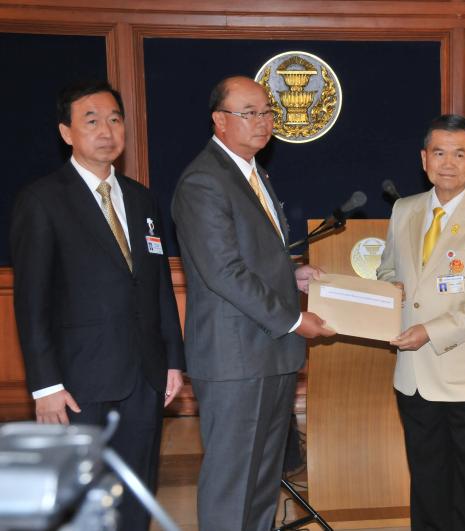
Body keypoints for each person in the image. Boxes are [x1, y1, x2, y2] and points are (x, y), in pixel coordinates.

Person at [9, 80, 185, 530]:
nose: (106, 131)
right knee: (81, 505)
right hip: (77, 384)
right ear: (66, 132)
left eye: (114, 119)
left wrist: (172, 360)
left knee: (136, 494)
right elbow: (31, 302)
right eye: (91, 121)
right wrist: (45, 386)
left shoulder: (141, 198)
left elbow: (158, 286)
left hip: (145, 377)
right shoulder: (42, 200)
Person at [171, 76, 334, 531]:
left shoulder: (251, 172)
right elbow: (224, 272)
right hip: (236, 358)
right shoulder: (204, 181)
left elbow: (254, 257)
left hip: (267, 353)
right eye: (249, 113)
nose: (263, 122)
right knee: (233, 484)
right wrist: (294, 319)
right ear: (219, 121)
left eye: (266, 112)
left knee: (262, 481)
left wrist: (291, 275)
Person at [376, 114, 465, 530]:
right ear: (424, 159)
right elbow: (387, 270)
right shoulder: (404, 209)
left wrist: (430, 332)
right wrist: (391, 290)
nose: (448, 163)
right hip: (414, 375)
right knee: (428, 482)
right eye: (439, 153)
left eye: (459, 154)